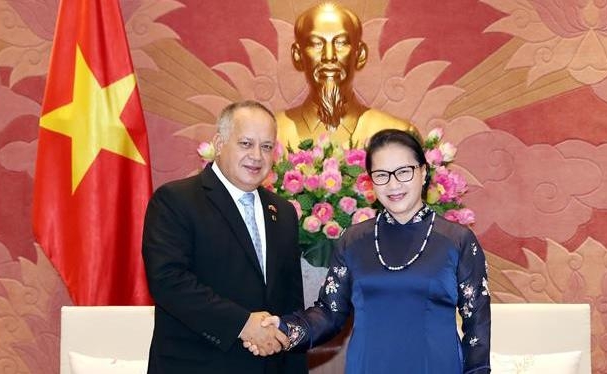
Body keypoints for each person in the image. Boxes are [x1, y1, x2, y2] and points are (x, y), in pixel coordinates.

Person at [250, 129, 491, 373]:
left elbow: (477, 326)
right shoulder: (353, 240)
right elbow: (329, 313)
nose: (393, 184)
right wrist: (284, 328)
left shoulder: (457, 241)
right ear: (370, 181)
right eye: (381, 175)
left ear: (423, 172)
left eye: (404, 172)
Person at [142, 100, 308, 374]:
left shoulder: (283, 211)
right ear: (219, 144)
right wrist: (242, 324)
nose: (257, 156)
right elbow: (168, 281)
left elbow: (291, 302)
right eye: (246, 143)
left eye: (266, 146)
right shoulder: (176, 200)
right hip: (197, 365)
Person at [276, 3, 416, 149]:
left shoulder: (399, 135)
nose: (329, 56)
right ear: (297, 55)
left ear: (360, 54)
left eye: (341, 43)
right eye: (316, 43)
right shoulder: (273, 135)